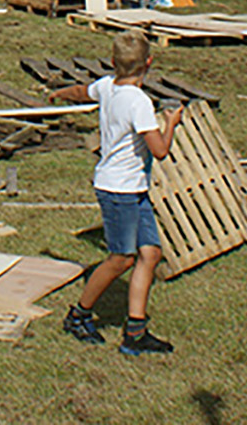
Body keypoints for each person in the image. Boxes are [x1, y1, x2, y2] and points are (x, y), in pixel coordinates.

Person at [52, 30, 184, 356]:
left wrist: (58, 93)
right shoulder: (139, 103)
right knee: (121, 258)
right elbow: (160, 151)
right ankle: (78, 315)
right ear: (149, 63)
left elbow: (84, 91)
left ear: (114, 63)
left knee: (150, 254)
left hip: (133, 188)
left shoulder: (109, 86)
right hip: (118, 190)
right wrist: (172, 123)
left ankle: (135, 332)